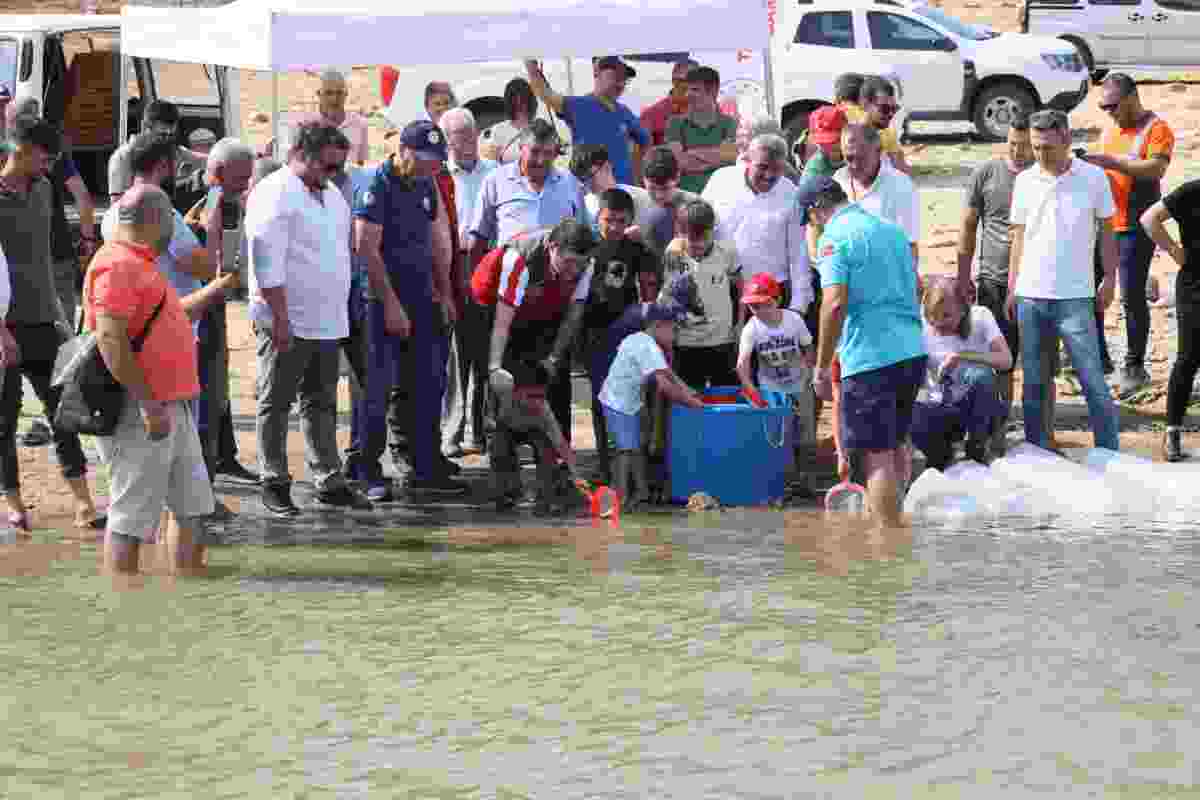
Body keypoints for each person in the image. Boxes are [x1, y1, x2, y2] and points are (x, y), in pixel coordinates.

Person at [89, 185, 239, 577]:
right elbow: (109, 337)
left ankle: (187, 592)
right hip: (143, 409)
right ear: (157, 222)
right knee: (131, 518)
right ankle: (124, 609)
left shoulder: (142, 263)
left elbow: (169, 315)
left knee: (191, 506)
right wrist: (147, 402)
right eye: (172, 221)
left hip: (174, 404)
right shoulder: (117, 264)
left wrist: (213, 291)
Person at [245, 122, 372, 516]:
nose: (335, 174)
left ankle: (327, 479)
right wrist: (279, 318)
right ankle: (274, 479)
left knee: (321, 402)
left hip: (327, 319)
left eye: (339, 167)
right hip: (286, 318)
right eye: (329, 166)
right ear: (301, 155)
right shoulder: (274, 192)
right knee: (276, 401)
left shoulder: (332, 194)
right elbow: (266, 262)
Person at [802, 175, 926, 528]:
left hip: (871, 359)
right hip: (912, 351)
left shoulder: (833, 239)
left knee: (877, 458)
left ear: (816, 212)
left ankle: (887, 545)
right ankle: (896, 522)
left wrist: (822, 366)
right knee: (897, 445)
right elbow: (915, 285)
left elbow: (834, 303)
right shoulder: (892, 230)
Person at [0, 115, 105, 532]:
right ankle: (15, 504)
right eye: (46, 156)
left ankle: (82, 502)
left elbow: (44, 260)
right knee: (4, 420)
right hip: (5, 326)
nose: (51, 164)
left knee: (64, 412)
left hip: (47, 321)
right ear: (20, 150)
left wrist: (63, 316)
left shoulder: (43, 190)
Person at [353, 119, 462, 500]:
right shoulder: (378, 183)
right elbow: (366, 248)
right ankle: (367, 469)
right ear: (405, 150)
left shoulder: (426, 182)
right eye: (428, 159)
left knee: (430, 380)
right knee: (378, 388)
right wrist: (392, 305)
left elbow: (437, 240)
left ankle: (425, 463)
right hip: (383, 298)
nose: (435, 166)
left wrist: (444, 292)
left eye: (438, 159)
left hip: (423, 295)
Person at [1006, 109, 1120, 453]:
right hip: (1031, 297)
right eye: (1036, 148)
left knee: (1092, 380)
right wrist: (1013, 287)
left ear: (1067, 140)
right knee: (1035, 382)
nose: (1041, 155)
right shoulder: (1025, 180)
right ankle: (1036, 451)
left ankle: (1108, 452)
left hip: (1076, 298)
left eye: (1048, 148)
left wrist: (1110, 278)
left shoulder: (1094, 178)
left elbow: (1107, 232)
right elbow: (1019, 237)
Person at [956, 111, 1044, 454]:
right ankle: (989, 432)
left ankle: (1024, 433)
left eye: (1025, 147)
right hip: (991, 283)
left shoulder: (1042, 178)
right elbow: (967, 225)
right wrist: (963, 277)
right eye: (1012, 144)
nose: (1018, 152)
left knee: (1031, 363)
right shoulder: (987, 173)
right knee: (993, 359)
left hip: (1035, 284)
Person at [1082, 73, 1174, 398]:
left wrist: (1110, 161)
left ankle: (1135, 367)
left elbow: (1155, 169)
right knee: (1088, 292)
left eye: (1114, 106)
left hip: (1136, 226)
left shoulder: (1156, 129)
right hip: (1104, 224)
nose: (1110, 112)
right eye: (1104, 107)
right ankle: (1100, 363)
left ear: (1133, 97)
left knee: (1131, 296)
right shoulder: (1110, 130)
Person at [480, 219, 597, 444]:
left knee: (551, 374)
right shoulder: (519, 259)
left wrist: (553, 358)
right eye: (569, 262)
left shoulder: (586, 263)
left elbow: (573, 316)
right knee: (504, 380)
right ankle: (503, 451)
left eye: (579, 265)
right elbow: (503, 322)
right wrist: (495, 367)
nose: (574, 271)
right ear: (553, 248)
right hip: (490, 306)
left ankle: (554, 454)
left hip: (538, 307)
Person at [582, 188, 661, 483]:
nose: (614, 227)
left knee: (631, 399)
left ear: (630, 219)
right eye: (608, 220)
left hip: (626, 334)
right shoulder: (587, 246)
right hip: (592, 334)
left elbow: (650, 285)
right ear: (597, 218)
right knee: (602, 400)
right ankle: (606, 466)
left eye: (620, 221)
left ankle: (638, 469)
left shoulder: (635, 249)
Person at [598, 302, 704, 508]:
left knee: (636, 448)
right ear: (659, 325)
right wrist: (691, 402)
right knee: (625, 451)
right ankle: (620, 498)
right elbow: (664, 385)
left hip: (624, 400)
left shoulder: (638, 338)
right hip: (618, 403)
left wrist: (686, 388)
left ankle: (641, 492)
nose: (676, 336)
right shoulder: (648, 347)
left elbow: (666, 372)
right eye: (674, 329)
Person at [196, 138, 259, 485]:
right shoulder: (215, 200)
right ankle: (208, 467)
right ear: (220, 173)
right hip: (202, 302)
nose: (246, 185)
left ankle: (224, 455)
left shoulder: (223, 197)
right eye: (242, 178)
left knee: (218, 379)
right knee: (209, 382)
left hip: (213, 299)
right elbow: (213, 257)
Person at [909, 277, 1012, 470]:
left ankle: (978, 446)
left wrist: (963, 357)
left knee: (981, 376)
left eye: (947, 315)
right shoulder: (919, 325)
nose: (938, 322)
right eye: (932, 315)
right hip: (937, 406)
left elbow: (1006, 360)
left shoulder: (980, 316)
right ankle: (939, 453)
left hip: (973, 408)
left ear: (963, 309)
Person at [441, 107, 497, 458]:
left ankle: (479, 429)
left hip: (487, 264)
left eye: (472, 133)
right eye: (460, 136)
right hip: (454, 266)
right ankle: (451, 431)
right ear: (447, 141)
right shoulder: (441, 176)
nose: (468, 142)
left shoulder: (495, 172)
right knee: (454, 356)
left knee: (483, 351)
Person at [703, 133, 810, 314]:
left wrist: (799, 304)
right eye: (762, 167)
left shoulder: (791, 193)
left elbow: (798, 251)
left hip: (772, 293)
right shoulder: (720, 181)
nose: (768, 175)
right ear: (746, 160)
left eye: (776, 169)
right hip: (724, 288)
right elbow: (701, 227)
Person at [468, 119, 588, 263]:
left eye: (548, 153)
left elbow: (583, 236)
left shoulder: (570, 182)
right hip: (509, 277)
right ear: (520, 147)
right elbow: (478, 238)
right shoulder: (495, 180)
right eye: (534, 151)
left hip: (557, 280)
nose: (540, 160)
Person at [1140, 179, 1200, 461]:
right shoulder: (1191, 191)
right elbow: (1149, 218)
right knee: (1189, 356)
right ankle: (1173, 432)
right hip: (1194, 284)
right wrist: (1175, 250)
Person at [524, 55, 650, 185]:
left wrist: (638, 179)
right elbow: (545, 93)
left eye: (625, 79)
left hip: (624, 192)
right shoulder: (579, 106)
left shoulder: (625, 112)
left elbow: (645, 142)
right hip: (588, 192)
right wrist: (531, 65)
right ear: (597, 72)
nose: (621, 83)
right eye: (616, 76)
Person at [735, 272, 816, 471]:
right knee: (778, 436)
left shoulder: (793, 319)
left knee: (806, 436)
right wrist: (750, 387)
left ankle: (806, 480)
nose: (760, 310)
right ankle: (783, 480)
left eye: (765, 304)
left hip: (799, 383)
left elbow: (808, 347)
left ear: (778, 300)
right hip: (771, 388)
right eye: (754, 306)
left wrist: (808, 371)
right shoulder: (751, 328)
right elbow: (742, 363)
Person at [661, 198, 741, 388]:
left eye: (703, 239)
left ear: (712, 230)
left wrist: (739, 323)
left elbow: (739, 285)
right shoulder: (673, 253)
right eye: (691, 240)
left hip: (722, 340)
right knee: (689, 396)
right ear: (680, 233)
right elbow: (670, 295)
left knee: (725, 397)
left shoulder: (726, 251)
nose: (697, 246)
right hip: (686, 343)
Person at [489, 361, 581, 514]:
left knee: (548, 452)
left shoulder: (543, 409)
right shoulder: (505, 396)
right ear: (517, 391)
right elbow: (494, 428)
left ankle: (547, 496)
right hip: (508, 428)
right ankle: (507, 491)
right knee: (499, 450)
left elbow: (561, 444)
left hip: (536, 430)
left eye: (540, 396)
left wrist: (576, 474)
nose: (535, 401)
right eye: (531, 396)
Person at [834, 124, 920, 267]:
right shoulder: (839, 179)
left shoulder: (900, 185)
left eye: (861, 158)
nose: (854, 165)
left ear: (878, 151)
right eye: (849, 158)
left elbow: (909, 247)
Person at [107, 100, 205, 202]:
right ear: (145, 128)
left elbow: (203, 159)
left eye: (171, 135)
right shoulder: (122, 157)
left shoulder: (172, 150)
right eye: (161, 135)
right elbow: (117, 204)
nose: (166, 140)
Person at [665, 66, 738, 194]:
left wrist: (691, 153)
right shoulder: (674, 123)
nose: (688, 95)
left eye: (695, 90)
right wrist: (716, 156)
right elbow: (679, 162)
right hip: (687, 199)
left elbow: (729, 158)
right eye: (687, 90)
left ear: (714, 92)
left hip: (722, 197)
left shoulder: (730, 123)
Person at [272, 69, 370, 166]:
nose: (334, 98)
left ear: (346, 95)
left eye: (339, 93)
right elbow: (291, 161)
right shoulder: (304, 125)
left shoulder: (359, 124)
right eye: (328, 93)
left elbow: (360, 164)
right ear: (319, 94)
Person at [569, 144, 652, 235]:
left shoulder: (643, 198)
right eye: (581, 180)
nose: (585, 186)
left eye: (589, 176)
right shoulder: (584, 206)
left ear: (607, 167)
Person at [639, 146, 700, 258]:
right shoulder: (637, 203)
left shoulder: (696, 207)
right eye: (652, 188)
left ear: (677, 177)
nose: (659, 195)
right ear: (643, 179)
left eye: (665, 188)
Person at [847, 76, 911, 175]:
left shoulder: (887, 133)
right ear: (865, 104)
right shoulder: (844, 125)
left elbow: (902, 171)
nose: (890, 114)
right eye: (884, 108)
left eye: (894, 108)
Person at [478, 78, 538, 165]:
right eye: (515, 104)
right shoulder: (498, 130)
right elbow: (491, 164)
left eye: (523, 102)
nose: (520, 107)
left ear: (530, 102)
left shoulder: (540, 129)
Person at [641, 59, 699, 147]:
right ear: (674, 81)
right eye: (684, 80)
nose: (689, 86)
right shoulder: (651, 115)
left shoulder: (710, 111)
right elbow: (641, 154)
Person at [801, 105, 847, 181]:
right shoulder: (814, 169)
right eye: (822, 143)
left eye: (834, 141)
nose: (828, 147)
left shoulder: (860, 159)